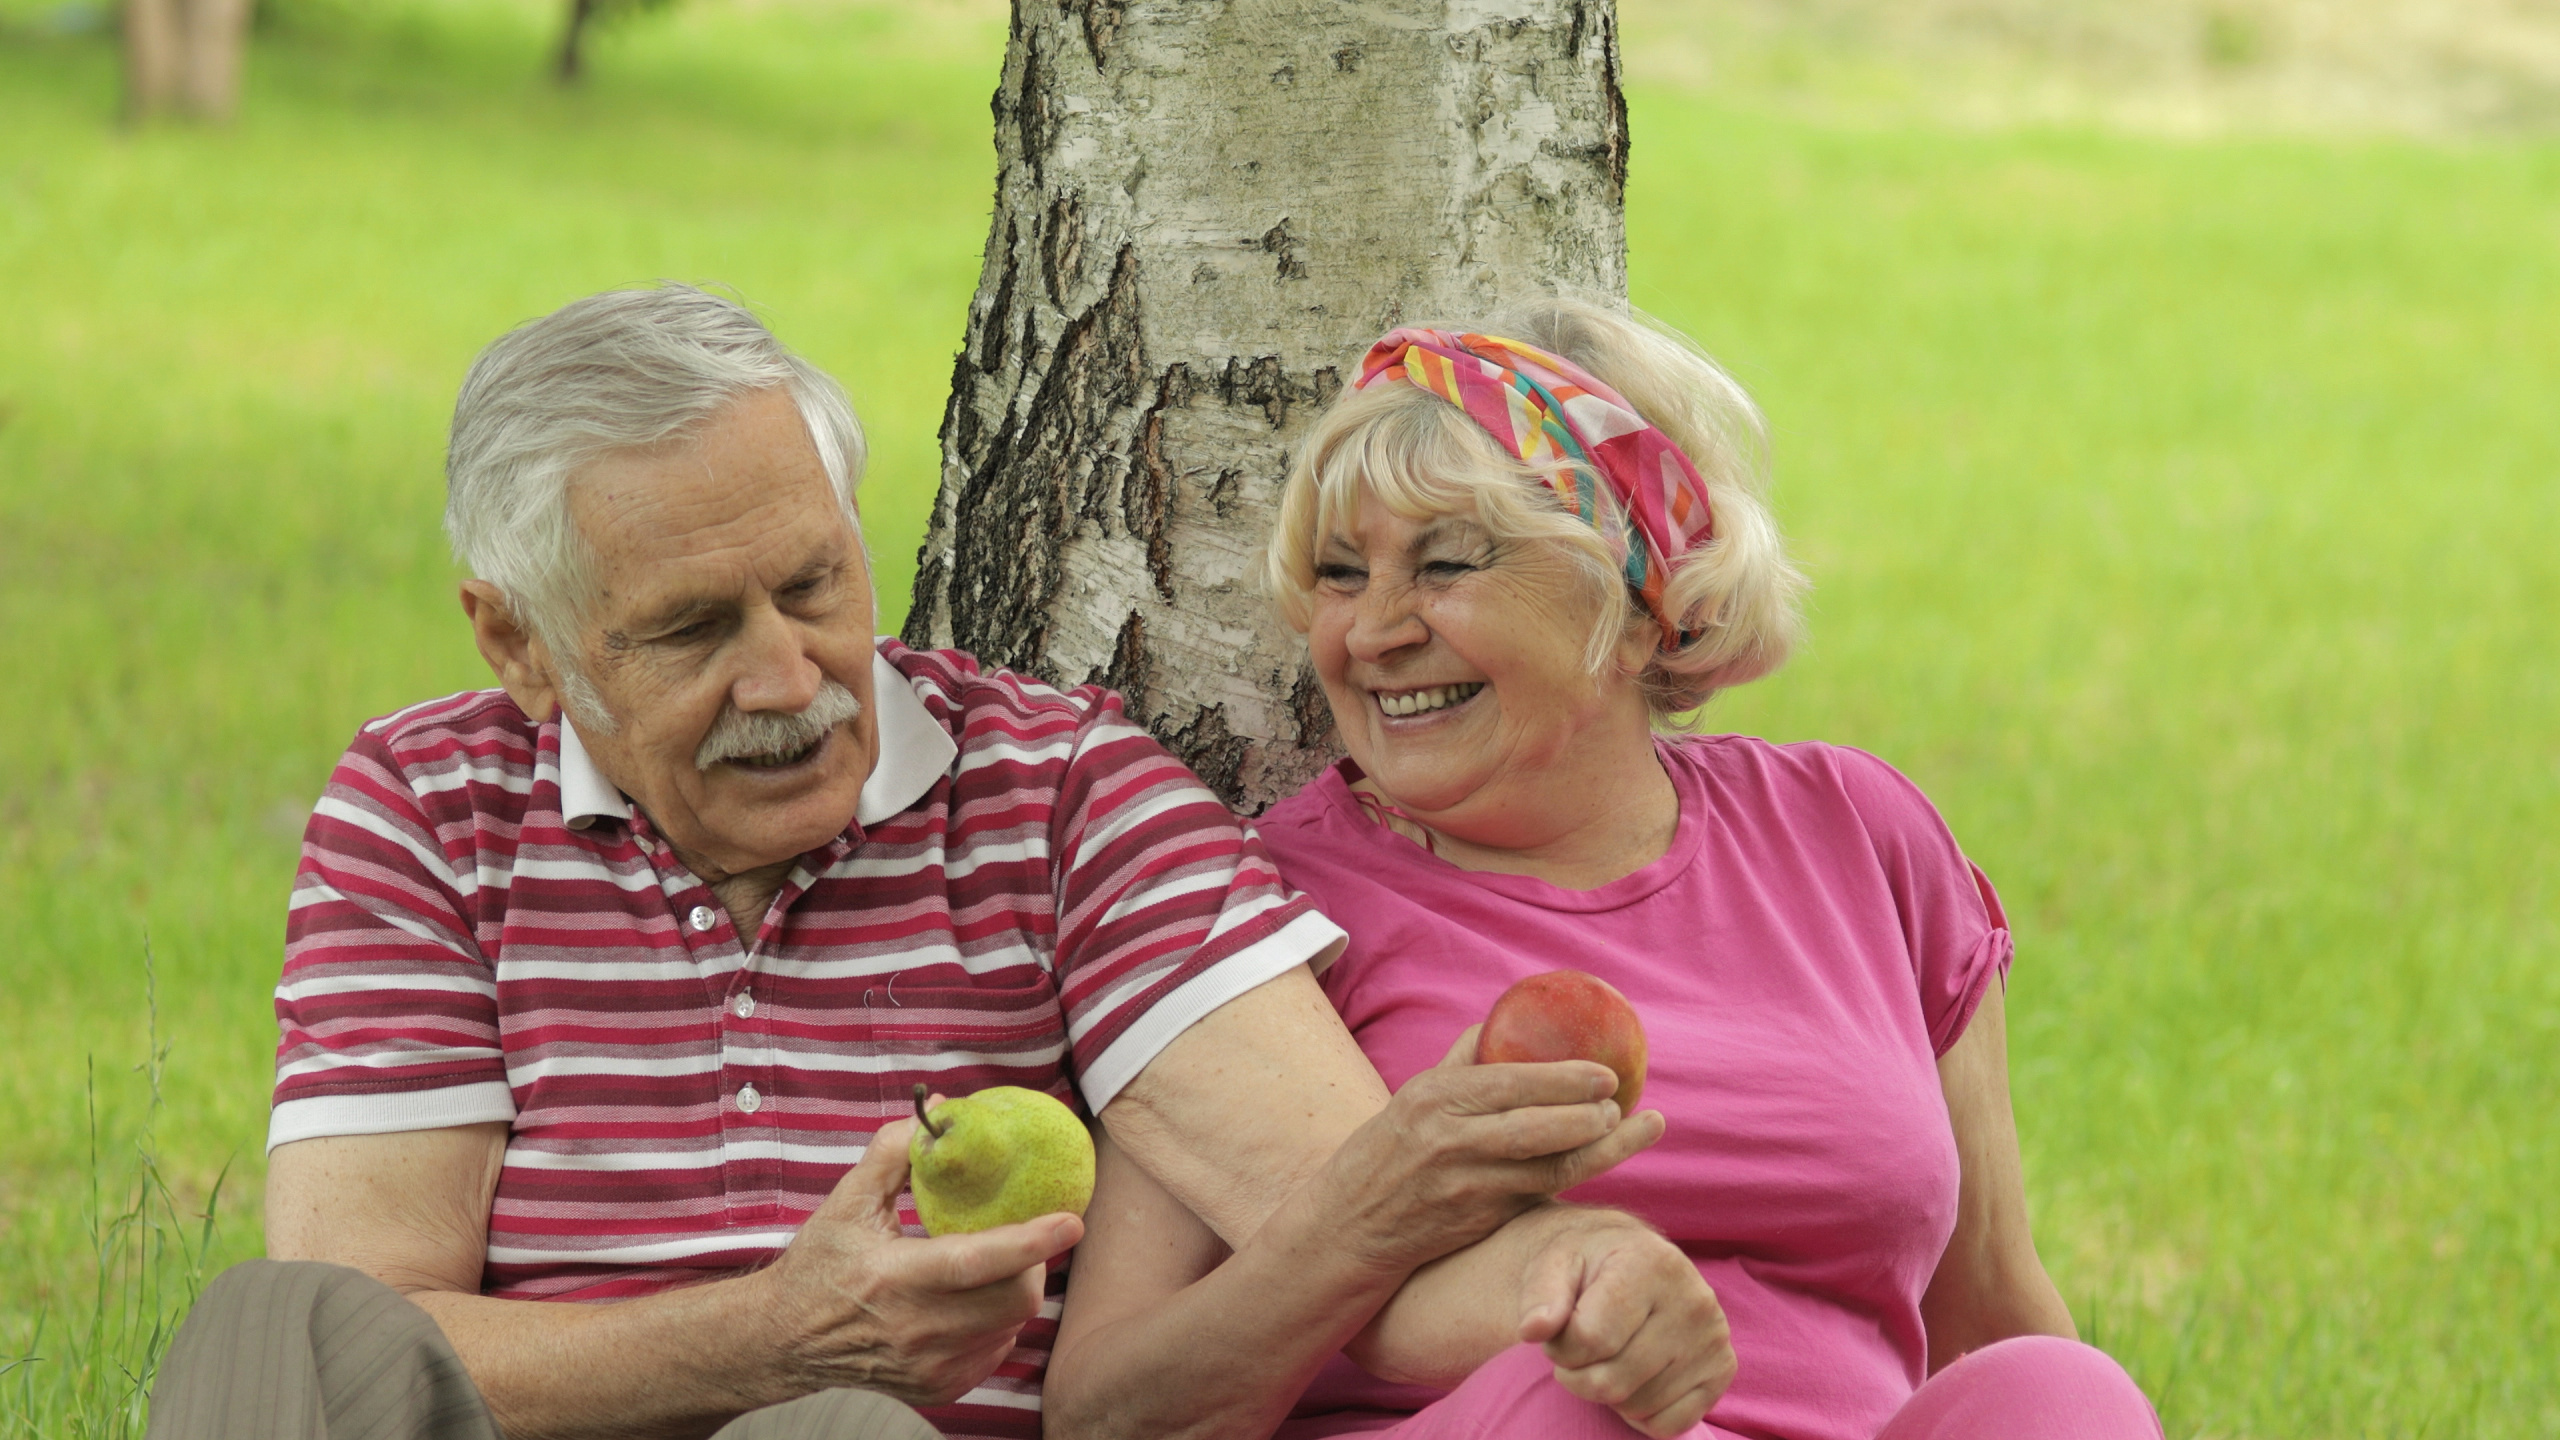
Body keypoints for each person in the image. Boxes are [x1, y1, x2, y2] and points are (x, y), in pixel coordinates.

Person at [145, 286, 1734, 1440]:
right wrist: (775, 1335)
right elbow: (374, 1337)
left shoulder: (1061, 797)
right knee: (269, 1336)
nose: (788, 679)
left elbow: (1342, 1223)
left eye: (814, 586)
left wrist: (1581, 1269)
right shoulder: (426, 806)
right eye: (694, 631)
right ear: (521, 641)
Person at [1043, 301, 2164, 1440]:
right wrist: (1363, 1218)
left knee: (2059, 1393)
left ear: (1637, 610)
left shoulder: (1856, 834)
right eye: (1340, 573)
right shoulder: (1252, 913)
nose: (1372, 631)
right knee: (1575, 1409)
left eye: (1445, 566)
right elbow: (1108, 1413)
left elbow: (1989, 1302)